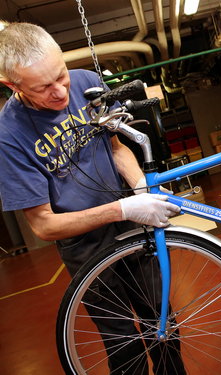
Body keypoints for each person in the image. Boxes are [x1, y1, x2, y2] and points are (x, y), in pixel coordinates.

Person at [0, 22, 184, 374]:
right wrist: (121, 207)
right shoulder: (8, 137)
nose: (60, 92)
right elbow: (43, 224)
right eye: (43, 87)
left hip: (133, 221)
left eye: (60, 75)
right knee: (119, 339)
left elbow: (116, 149)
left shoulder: (85, 82)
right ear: (13, 85)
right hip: (84, 244)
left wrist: (140, 186)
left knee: (161, 320)